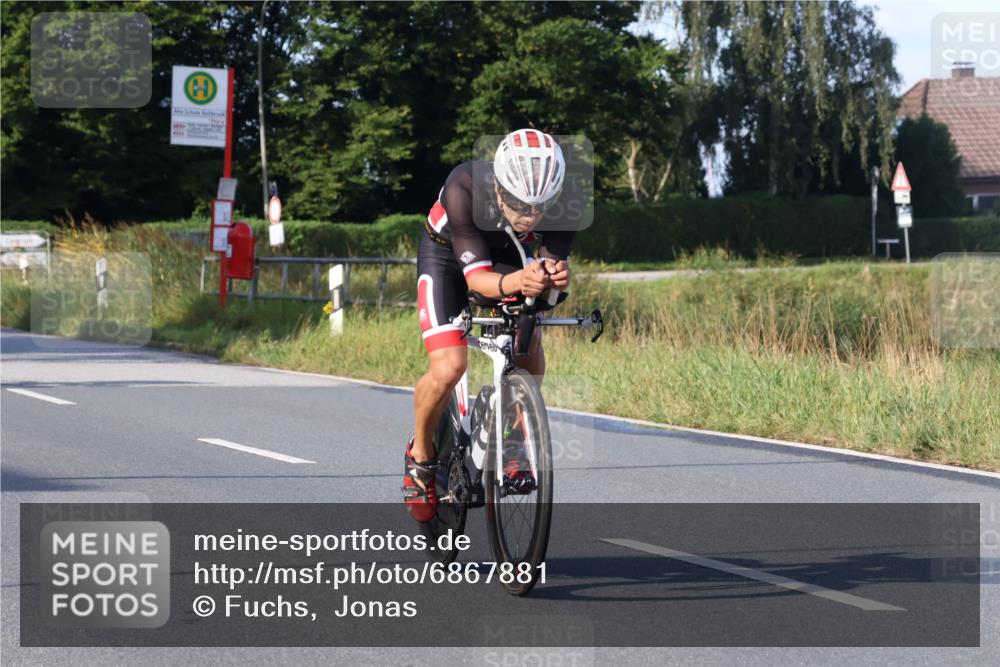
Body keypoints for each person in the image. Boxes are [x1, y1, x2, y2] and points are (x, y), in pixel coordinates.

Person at [403, 129, 575, 522]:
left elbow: (549, 274)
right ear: (498, 187)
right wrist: (520, 281)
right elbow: (477, 281)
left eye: (541, 206)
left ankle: (513, 441)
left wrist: (553, 279)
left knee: (527, 351)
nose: (529, 216)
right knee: (449, 367)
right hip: (447, 256)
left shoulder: (568, 200)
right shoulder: (464, 186)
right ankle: (421, 455)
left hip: (507, 256)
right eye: (518, 204)